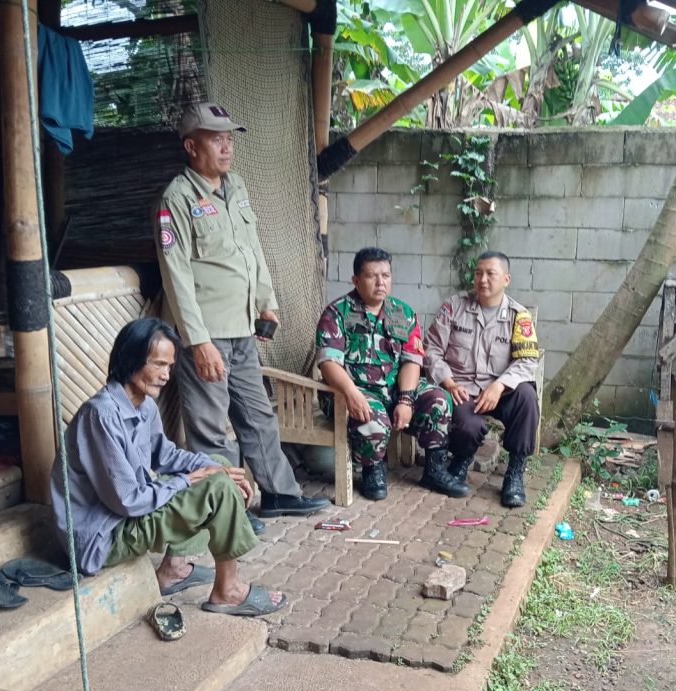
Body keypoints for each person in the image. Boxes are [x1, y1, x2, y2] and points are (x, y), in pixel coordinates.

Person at [153, 101, 328, 521]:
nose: (227, 146)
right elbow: (175, 274)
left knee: (258, 416)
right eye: (217, 139)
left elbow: (252, 252)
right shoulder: (177, 198)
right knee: (211, 429)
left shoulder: (237, 187)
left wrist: (266, 303)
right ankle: (226, 509)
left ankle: (280, 493)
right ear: (192, 147)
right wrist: (197, 342)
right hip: (207, 335)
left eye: (230, 138)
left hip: (242, 330)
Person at [50, 318, 287, 616]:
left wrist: (214, 468)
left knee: (220, 466)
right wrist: (190, 480)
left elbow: (166, 456)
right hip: (102, 535)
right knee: (215, 488)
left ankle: (174, 568)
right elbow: (127, 501)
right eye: (158, 364)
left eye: (170, 367)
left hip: (124, 514)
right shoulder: (101, 416)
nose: (165, 375)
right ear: (131, 359)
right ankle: (228, 591)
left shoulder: (143, 404)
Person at [316, 247, 468, 501]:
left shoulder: (403, 313)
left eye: (385, 276)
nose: (380, 282)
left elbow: (412, 360)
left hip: (396, 388)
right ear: (356, 280)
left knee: (439, 399)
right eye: (372, 276)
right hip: (352, 390)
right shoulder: (337, 313)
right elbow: (329, 363)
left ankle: (434, 469)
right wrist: (351, 392)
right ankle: (372, 469)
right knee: (371, 416)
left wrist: (406, 400)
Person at [424, 251, 540, 507]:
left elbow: (527, 361)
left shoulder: (518, 316)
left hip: (501, 389)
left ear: (506, 279)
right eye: (478, 273)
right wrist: (449, 382)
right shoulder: (454, 306)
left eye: (490, 274)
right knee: (468, 427)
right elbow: (431, 349)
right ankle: (461, 459)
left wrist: (499, 386)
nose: (483, 279)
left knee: (527, 397)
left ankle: (515, 472)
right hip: (462, 388)